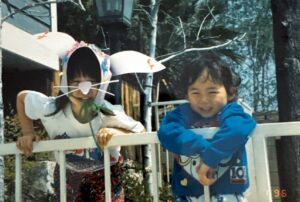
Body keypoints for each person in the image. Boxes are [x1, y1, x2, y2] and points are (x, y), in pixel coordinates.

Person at [16, 43, 145, 202]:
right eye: (76, 82)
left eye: (92, 82)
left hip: (106, 174)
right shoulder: (51, 108)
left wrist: (116, 133)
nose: (84, 90)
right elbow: (22, 97)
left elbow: (139, 131)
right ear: (65, 83)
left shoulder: (108, 112)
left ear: (102, 84)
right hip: (67, 174)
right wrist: (28, 132)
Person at [157, 53, 257, 202]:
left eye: (212, 92)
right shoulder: (183, 112)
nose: (204, 100)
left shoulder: (230, 111)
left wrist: (210, 158)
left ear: (231, 92)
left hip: (228, 192)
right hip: (187, 193)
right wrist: (201, 147)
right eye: (195, 92)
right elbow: (166, 131)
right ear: (186, 95)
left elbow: (239, 128)